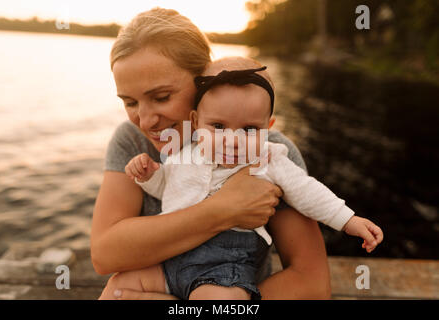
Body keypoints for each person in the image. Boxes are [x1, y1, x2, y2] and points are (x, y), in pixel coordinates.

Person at [92, 7, 332, 300]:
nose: (145, 120)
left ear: (204, 83)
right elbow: (105, 255)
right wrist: (223, 209)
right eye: (130, 102)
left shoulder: (267, 153)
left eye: (161, 97)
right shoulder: (132, 142)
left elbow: (312, 283)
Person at [123, 57, 384, 300]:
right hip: (171, 259)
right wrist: (149, 177)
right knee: (120, 288)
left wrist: (348, 220)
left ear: (268, 128)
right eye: (218, 126)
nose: (232, 140)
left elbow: (306, 191)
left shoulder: (268, 159)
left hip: (223, 267)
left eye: (249, 129)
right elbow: (168, 190)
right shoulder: (184, 154)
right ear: (196, 121)